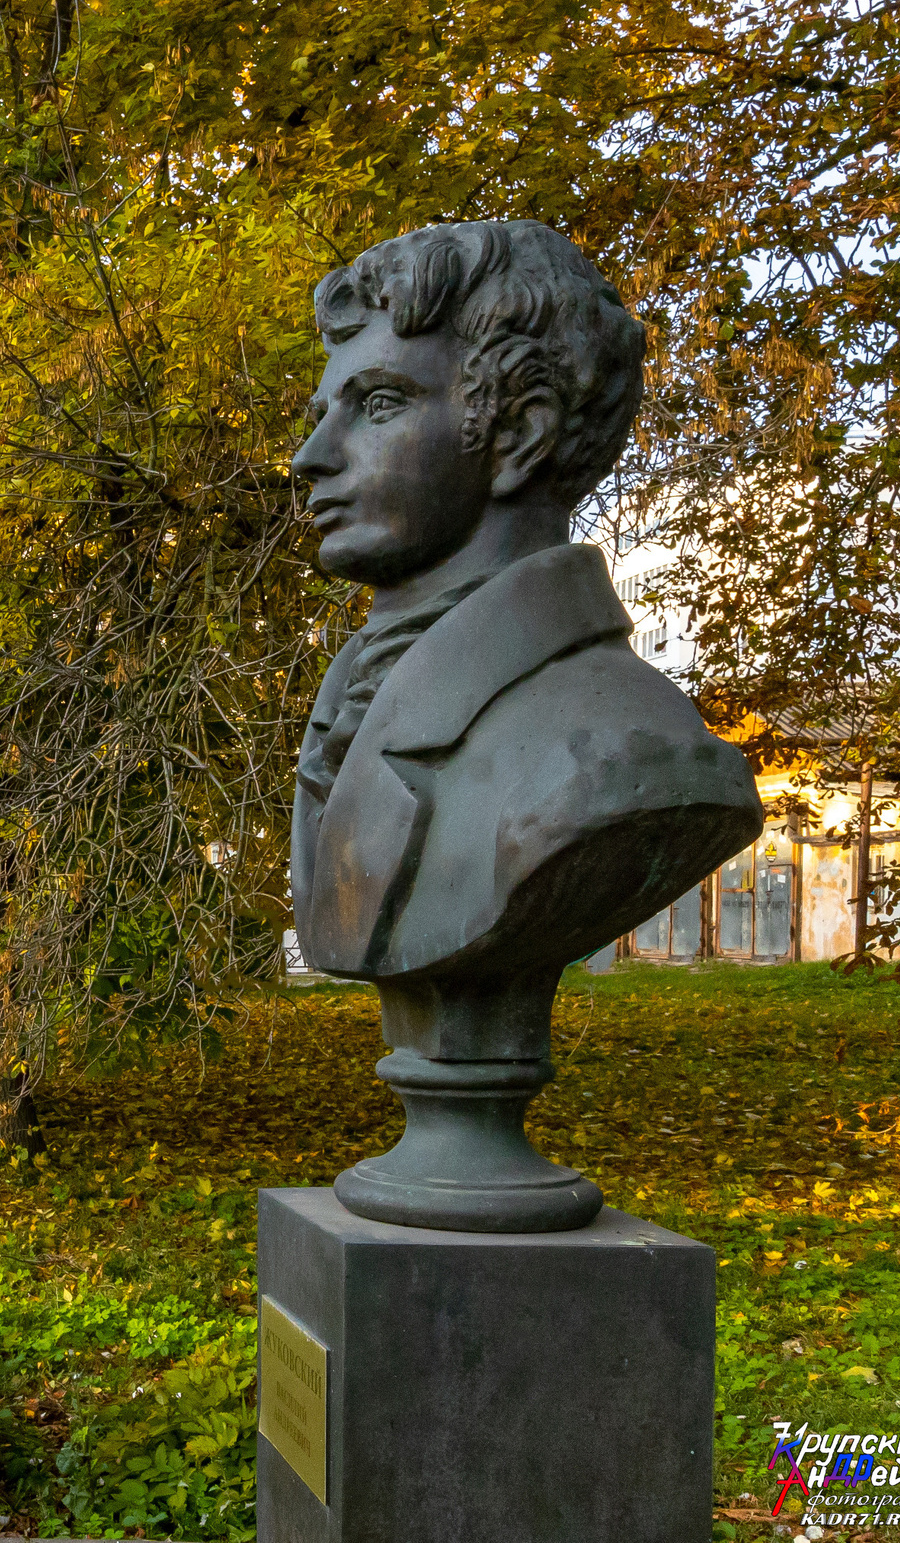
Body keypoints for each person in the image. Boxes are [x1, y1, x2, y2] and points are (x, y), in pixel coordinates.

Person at [287, 220, 762, 1229]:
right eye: (321, 413)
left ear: (521, 434)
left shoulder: (619, 756)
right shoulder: (351, 696)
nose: (309, 457)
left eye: (378, 405)